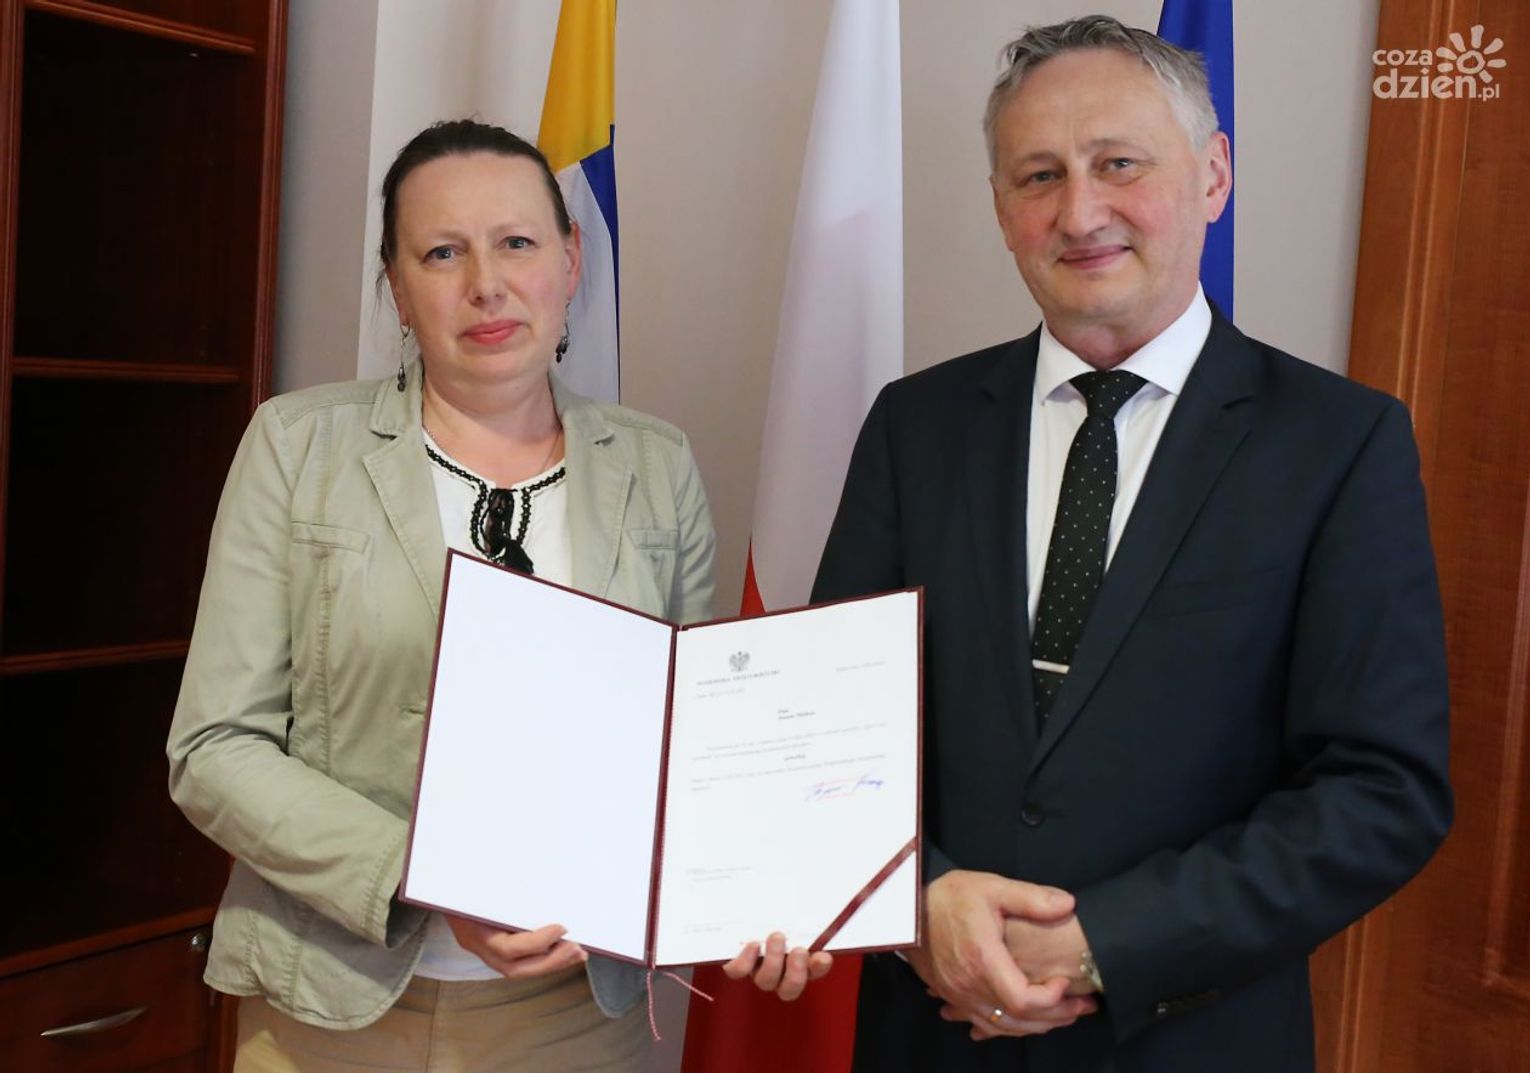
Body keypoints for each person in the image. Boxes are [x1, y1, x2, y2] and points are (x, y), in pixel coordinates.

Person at [809, 16, 1452, 1072]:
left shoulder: (1341, 444)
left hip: (1190, 1040)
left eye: (1118, 164)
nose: (1080, 213)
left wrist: (1104, 941)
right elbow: (828, 729)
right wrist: (921, 898)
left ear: (1213, 175)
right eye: (1040, 176)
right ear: (1002, 208)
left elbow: (1381, 790)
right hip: (933, 1031)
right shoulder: (915, 426)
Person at [167, 119, 718, 1072]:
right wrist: (420, 872)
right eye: (442, 252)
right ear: (396, 284)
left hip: (580, 1016)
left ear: (571, 259)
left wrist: (759, 888)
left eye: (517, 242)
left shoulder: (657, 464)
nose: (486, 284)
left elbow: (699, 746)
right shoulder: (296, 447)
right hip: (333, 1002)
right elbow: (213, 748)